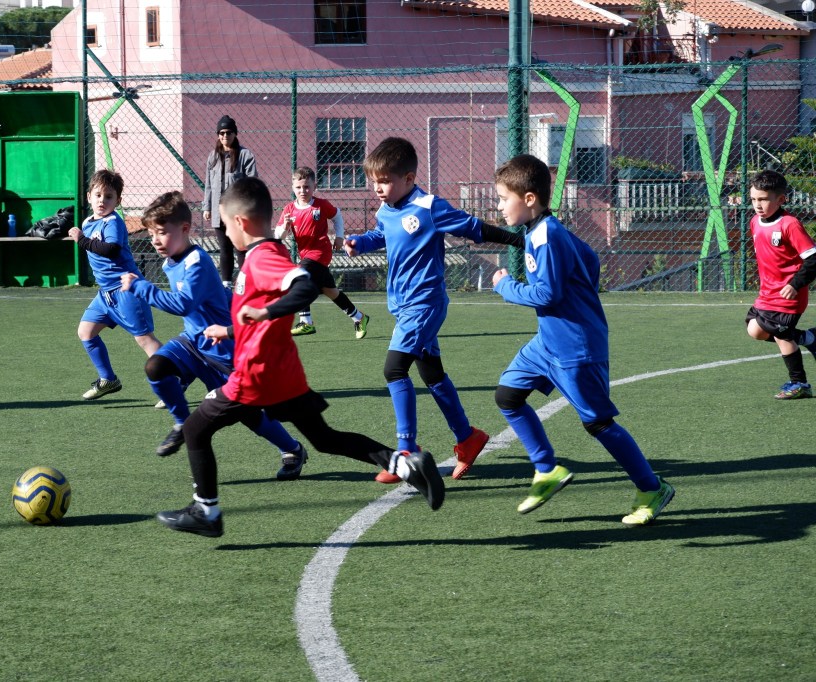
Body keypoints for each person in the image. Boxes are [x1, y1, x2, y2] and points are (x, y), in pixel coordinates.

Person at [155, 177, 445, 538]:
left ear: (241, 223)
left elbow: (303, 285)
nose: (225, 235)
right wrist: (230, 330)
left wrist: (264, 314)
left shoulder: (262, 258)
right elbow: (261, 313)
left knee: (196, 428)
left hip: (256, 376)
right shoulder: (262, 255)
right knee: (325, 439)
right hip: (283, 373)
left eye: (226, 226)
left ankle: (206, 512)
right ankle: (404, 464)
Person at [490, 154, 675, 526]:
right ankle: (546, 469)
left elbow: (546, 295)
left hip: (576, 348)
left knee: (598, 424)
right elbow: (589, 260)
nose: (498, 206)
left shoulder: (547, 236)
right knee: (508, 396)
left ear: (529, 199)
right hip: (548, 344)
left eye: (503, 198)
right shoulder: (544, 230)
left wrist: (504, 286)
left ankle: (651, 487)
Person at [344, 137, 522, 484]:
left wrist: (520, 239)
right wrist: (359, 242)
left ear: (408, 179)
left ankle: (406, 451)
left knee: (394, 370)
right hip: (403, 306)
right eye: (374, 181)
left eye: (385, 181)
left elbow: (473, 228)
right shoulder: (387, 209)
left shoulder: (429, 207)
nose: (378, 188)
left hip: (424, 304)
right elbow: (382, 233)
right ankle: (467, 438)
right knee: (432, 376)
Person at [120, 191, 309, 480]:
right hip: (193, 341)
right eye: (151, 233)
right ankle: (182, 422)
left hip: (223, 350)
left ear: (184, 229)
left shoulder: (196, 262)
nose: (156, 240)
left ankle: (293, 449)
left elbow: (183, 303)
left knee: (249, 415)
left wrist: (140, 287)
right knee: (156, 366)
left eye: (161, 233)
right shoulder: (172, 260)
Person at [68, 169, 161, 400]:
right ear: (89, 196)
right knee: (86, 332)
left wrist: (81, 240)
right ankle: (108, 379)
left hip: (127, 289)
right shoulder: (88, 222)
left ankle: (176, 378)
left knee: (144, 339)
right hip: (106, 294)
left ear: (118, 201)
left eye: (108, 197)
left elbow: (111, 250)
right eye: (98, 195)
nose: (102, 201)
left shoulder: (113, 223)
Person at [744, 170, 816, 399]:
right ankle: (810, 338)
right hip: (767, 293)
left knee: (782, 335)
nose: (758, 204)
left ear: (780, 199)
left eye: (764, 199)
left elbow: (813, 258)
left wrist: (795, 284)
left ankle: (800, 384)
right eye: (754, 199)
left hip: (789, 295)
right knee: (755, 329)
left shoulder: (789, 224)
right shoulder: (755, 222)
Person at [276, 166, 369, 339]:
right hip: (307, 255)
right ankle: (359, 317)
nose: (302, 191)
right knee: (330, 290)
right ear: (292, 187)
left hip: (320, 252)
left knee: (298, 276)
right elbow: (278, 235)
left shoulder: (321, 205)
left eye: (306, 187)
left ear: (314, 186)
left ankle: (306, 322)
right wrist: (285, 228)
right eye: (298, 187)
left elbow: (337, 216)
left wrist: (339, 237)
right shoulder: (289, 209)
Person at [202, 115, 258, 287]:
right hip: (219, 212)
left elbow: (252, 182)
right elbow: (209, 185)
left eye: (228, 132)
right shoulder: (213, 156)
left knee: (240, 248)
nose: (225, 136)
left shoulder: (245, 155)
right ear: (218, 135)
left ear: (235, 134)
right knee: (224, 249)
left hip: (238, 212)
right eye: (221, 133)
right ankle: (225, 285)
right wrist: (207, 207)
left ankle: (243, 284)